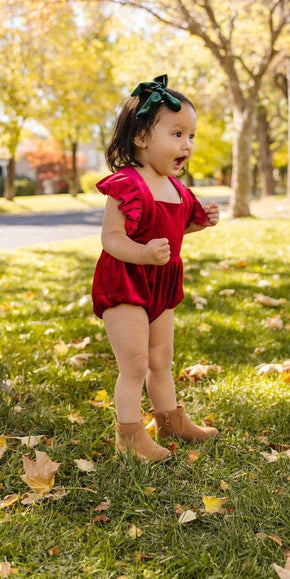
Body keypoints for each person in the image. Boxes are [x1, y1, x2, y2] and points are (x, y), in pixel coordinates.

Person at [92, 75, 220, 463]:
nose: (187, 144)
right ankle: (129, 434)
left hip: (162, 284)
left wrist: (202, 222)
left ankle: (170, 419)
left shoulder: (176, 188)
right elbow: (111, 238)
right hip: (127, 282)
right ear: (142, 137)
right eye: (177, 133)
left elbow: (176, 230)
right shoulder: (127, 184)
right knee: (134, 363)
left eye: (191, 136)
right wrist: (143, 254)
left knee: (161, 359)